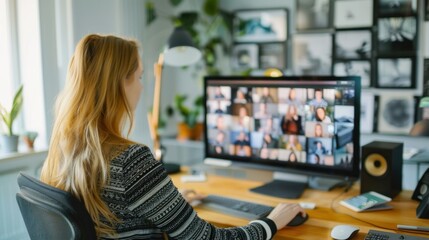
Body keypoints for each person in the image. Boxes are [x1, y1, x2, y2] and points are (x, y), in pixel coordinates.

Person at [39, 34, 305, 239]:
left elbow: (116, 213)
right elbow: (209, 238)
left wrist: (169, 206)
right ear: (120, 83)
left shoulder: (66, 148)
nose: (143, 87)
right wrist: (273, 221)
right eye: (140, 76)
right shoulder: (132, 160)